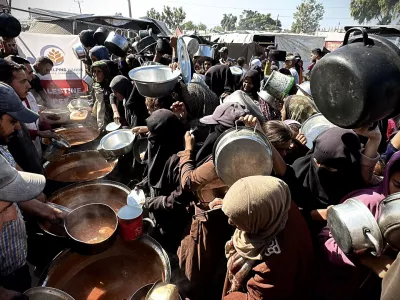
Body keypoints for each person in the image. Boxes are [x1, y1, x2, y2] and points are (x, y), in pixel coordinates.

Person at [317, 151, 400, 300]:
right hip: (345, 284)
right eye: (398, 185)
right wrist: (366, 259)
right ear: (388, 177)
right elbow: (325, 239)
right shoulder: (367, 202)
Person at [221, 176, 314, 299]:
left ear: (259, 217)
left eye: (237, 219)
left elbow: (256, 297)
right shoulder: (279, 202)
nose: (229, 222)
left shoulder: (276, 263)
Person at [286, 127, 380, 226]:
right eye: (316, 161)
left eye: (330, 168)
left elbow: (366, 167)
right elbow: (287, 212)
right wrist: (318, 214)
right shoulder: (298, 169)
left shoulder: (356, 181)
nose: (319, 167)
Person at [142, 109, 193, 253]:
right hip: (156, 206)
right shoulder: (156, 145)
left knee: (168, 241)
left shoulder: (178, 160)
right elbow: (150, 168)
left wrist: (154, 202)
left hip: (172, 217)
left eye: (153, 132)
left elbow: (181, 197)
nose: (148, 135)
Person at [0, 60, 56, 156]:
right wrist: (38, 133)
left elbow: (35, 117)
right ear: (5, 85)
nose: (29, 85)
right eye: (22, 81)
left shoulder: (27, 96)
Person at [91, 60, 113, 130]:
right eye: (94, 71)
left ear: (105, 72)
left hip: (110, 119)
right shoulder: (95, 85)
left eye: (99, 71)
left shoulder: (110, 87)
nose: (96, 74)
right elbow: (95, 101)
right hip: (99, 119)